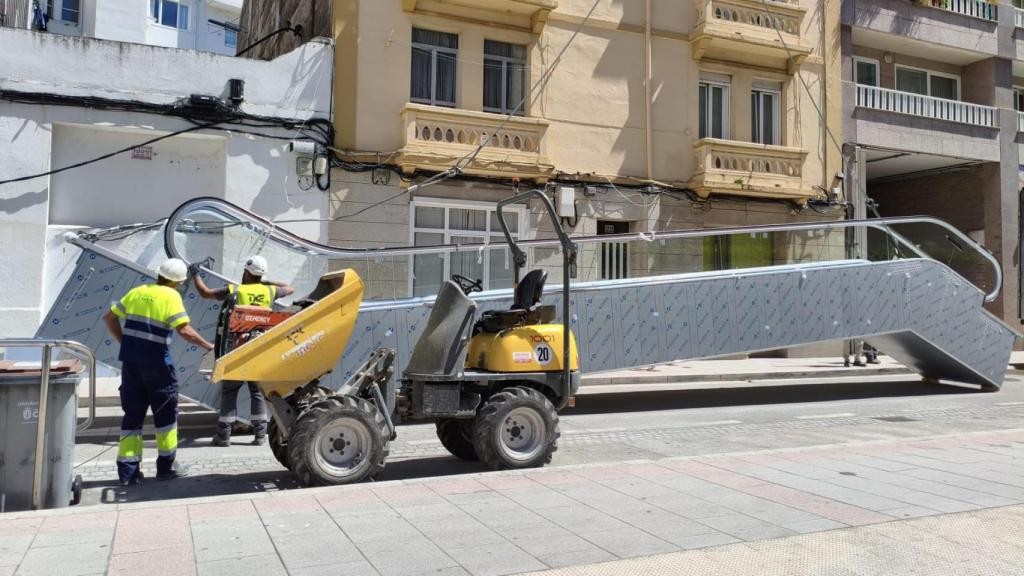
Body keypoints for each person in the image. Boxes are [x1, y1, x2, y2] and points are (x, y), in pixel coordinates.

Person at [103, 258, 214, 486]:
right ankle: (166, 468)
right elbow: (185, 331)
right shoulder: (171, 296)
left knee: (132, 416)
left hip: (131, 365)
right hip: (158, 366)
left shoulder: (137, 292)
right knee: (165, 418)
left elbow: (109, 318)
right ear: (179, 282)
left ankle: (128, 474)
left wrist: (125, 342)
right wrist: (209, 346)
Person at [193, 255, 294, 446]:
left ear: (247, 272)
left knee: (230, 390)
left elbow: (205, 293)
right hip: (259, 348)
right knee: (256, 392)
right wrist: (264, 281)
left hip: (238, 347)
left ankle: (224, 436)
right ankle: (259, 436)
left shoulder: (236, 290)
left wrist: (195, 273)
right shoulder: (270, 291)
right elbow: (290, 288)